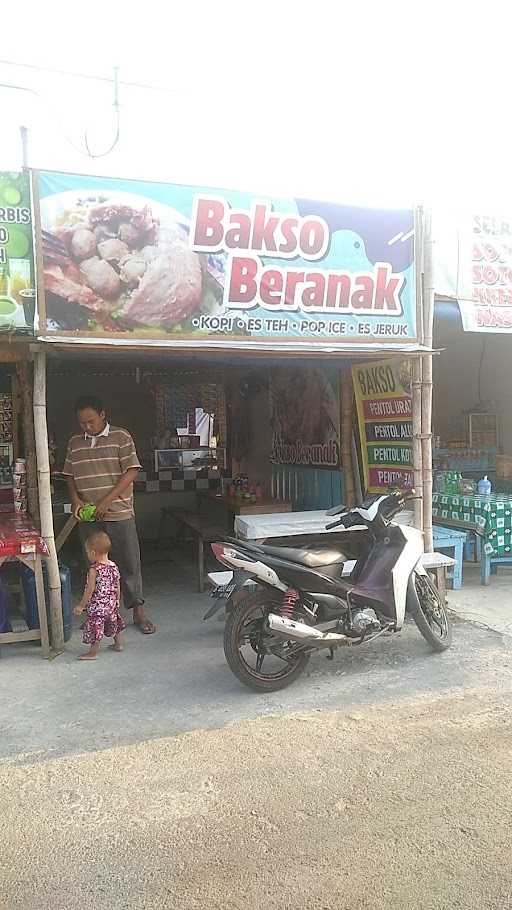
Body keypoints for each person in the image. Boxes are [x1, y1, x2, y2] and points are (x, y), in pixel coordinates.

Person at [63, 395, 156, 634]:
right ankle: (98, 614)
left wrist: (106, 501)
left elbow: (131, 472)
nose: (86, 427)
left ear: (103, 414)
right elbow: (69, 475)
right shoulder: (74, 442)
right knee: (94, 567)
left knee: (128, 563)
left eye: (91, 421)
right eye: (82, 423)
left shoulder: (121, 437)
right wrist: (75, 501)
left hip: (119, 512)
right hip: (88, 516)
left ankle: (138, 612)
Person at [73, 530, 126, 661]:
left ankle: (93, 653)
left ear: (92, 553)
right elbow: (117, 584)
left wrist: (81, 605)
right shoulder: (113, 566)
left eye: (87, 552)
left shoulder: (94, 570)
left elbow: (90, 589)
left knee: (96, 628)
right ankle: (118, 644)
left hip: (98, 607)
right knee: (113, 623)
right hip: (111, 604)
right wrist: (118, 599)